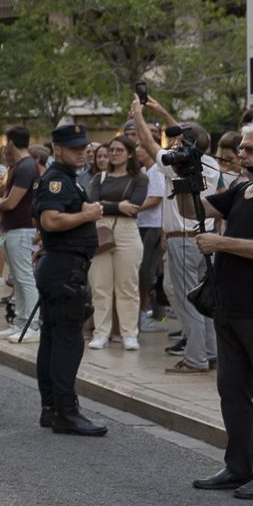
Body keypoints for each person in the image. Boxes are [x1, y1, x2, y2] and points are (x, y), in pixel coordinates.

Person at [187, 124, 253, 496]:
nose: (241, 154)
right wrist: (184, 178)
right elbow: (193, 208)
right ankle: (238, 467)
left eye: (249, 149)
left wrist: (222, 243)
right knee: (231, 389)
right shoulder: (240, 191)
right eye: (242, 149)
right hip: (229, 308)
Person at [133, 99, 227, 374]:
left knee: (188, 301)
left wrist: (139, 115)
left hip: (183, 236)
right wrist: (161, 111)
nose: (174, 145)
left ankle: (196, 358)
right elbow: (186, 136)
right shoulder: (208, 161)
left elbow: (150, 145)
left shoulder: (181, 163)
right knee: (201, 297)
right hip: (204, 236)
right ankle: (209, 352)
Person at [32, 124, 107, 436]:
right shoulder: (57, 181)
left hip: (62, 266)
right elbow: (51, 220)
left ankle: (51, 408)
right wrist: (87, 216)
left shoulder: (66, 179)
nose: (82, 152)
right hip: (64, 269)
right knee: (67, 341)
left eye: (83, 146)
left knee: (53, 337)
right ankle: (66, 412)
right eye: (75, 148)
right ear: (57, 149)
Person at [87, 135, 148, 351]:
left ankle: (129, 333)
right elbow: (92, 205)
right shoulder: (99, 177)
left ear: (130, 153)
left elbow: (136, 205)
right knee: (100, 285)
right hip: (101, 230)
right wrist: (118, 206)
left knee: (128, 286)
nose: (113, 154)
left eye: (118, 150)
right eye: (111, 150)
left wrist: (110, 205)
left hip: (128, 232)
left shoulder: (139, 178)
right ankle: (101, 332)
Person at [0, 128, 41, 340]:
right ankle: (20, 322)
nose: (5, 146)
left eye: (6, 142)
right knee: (18, 278)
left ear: (11, 142)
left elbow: (11, 202)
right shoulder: (18, 166)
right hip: (14, 229)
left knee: (24, 278)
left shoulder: (25, 166)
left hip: (22, 229)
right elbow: (5, 194)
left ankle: (32, 324)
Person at [133, 140, 167, 332]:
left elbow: (156, 199)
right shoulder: (144, 172)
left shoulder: (156, 171)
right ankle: (147, 312)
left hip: (154, 225)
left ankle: (152, 313)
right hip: (142, 224)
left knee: (146, 272)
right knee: (142, 272)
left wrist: (133, 208)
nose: (137, 150)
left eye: (141, 147)